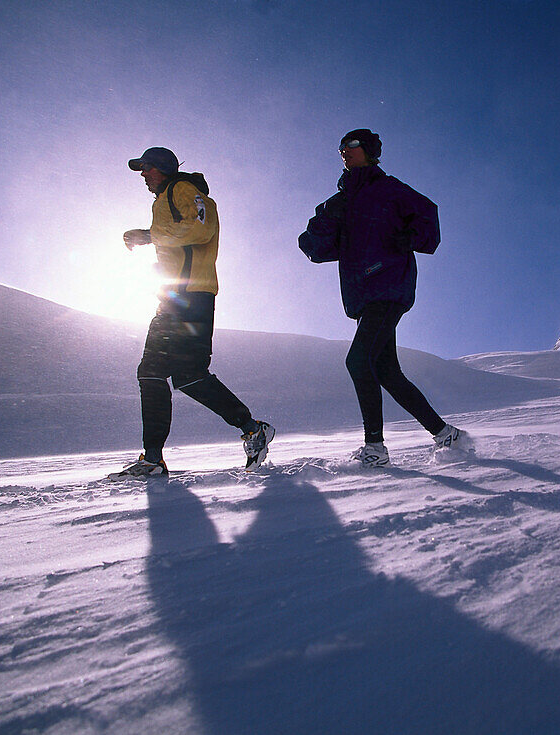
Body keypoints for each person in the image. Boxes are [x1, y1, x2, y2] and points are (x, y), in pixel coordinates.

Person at [298, 129, 469, 467]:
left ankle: (375, 448)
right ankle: (445, 433)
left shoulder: (389, 189)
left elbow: (426, 215)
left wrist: (406, 238)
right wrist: (323, 222)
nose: (343, 151)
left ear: (370, 151)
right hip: (363, 294)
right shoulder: (340, 201)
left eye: (351, 146)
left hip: (389, 285)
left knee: (358, 361)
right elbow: (314, 248)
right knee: (386, 371)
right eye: (340, 148)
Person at [116, 146, 273, 476]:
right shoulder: (161, 200)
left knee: (189, 376)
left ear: (162, 167)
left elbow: (202, 226)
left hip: (193, 295)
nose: (143, 175)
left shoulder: (184, 189)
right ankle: (153, 459)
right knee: (151, 372)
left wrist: (149, 235)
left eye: (147, 168)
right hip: (171, 298)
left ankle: (252, 428)